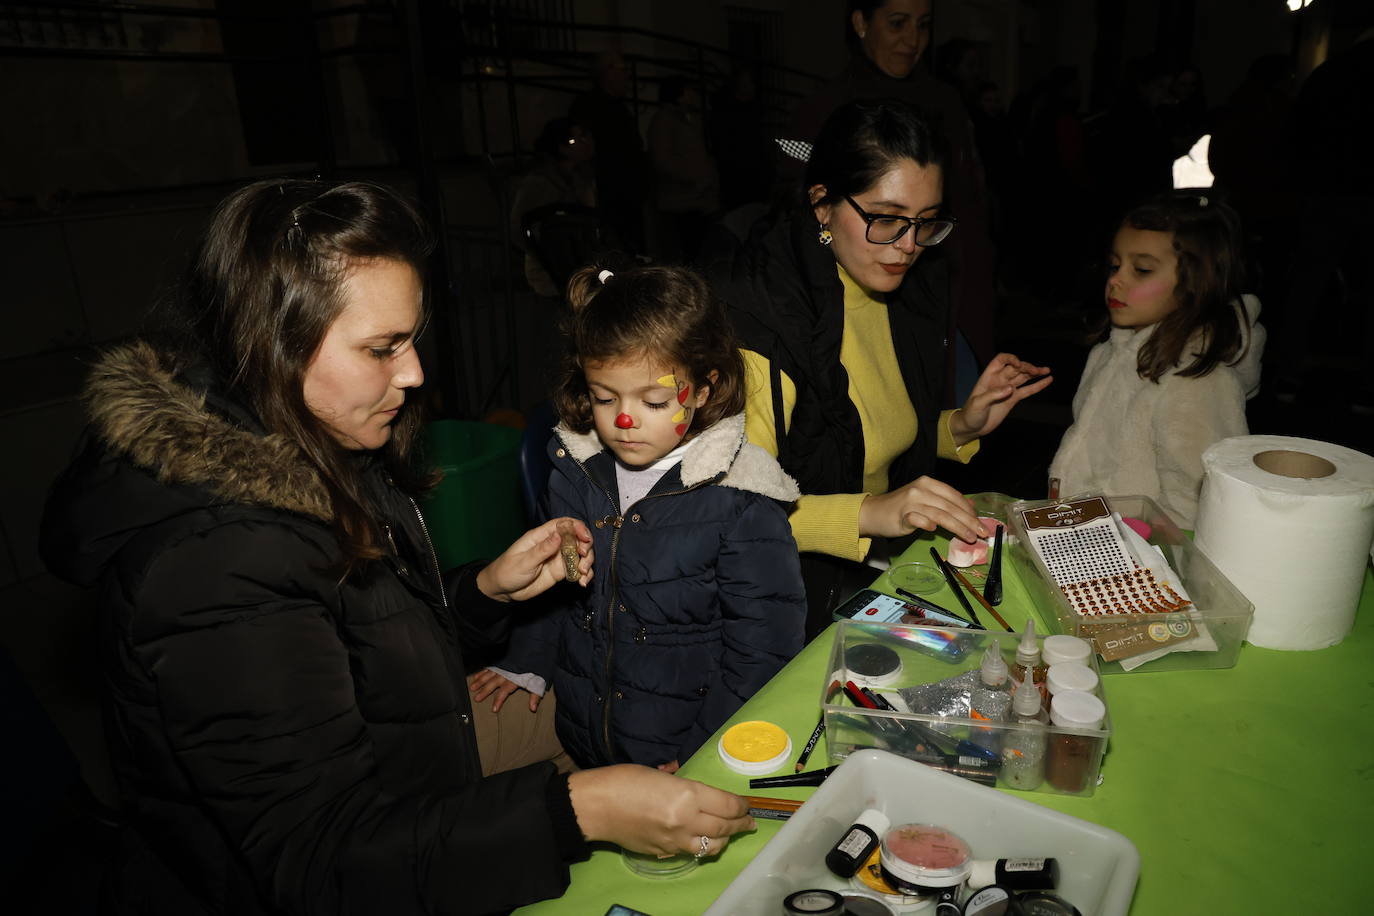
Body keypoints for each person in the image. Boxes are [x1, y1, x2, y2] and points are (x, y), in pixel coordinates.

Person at [38, 179, 755, 915]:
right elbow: (323, 864)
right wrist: (580, 810)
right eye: (382, 349)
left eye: (411, 340)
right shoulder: (214, 566)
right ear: (273, 346)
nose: (413, 374)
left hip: (413, 769)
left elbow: (356, 641)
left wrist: (479, 596)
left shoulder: (320, 436)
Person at [708, 99, 1051, 635]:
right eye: (886, 219)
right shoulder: (764, 324)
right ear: (821, 204)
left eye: (926, 223)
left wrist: (960, 426)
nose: (909, 246)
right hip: (775, 595)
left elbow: (857, 441)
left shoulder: (902, 292)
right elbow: (729, 513)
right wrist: (871, 513)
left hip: (864, 569)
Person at [474, 264, 806, 772]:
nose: (624, 421)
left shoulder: (741, 502)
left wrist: (701, 753)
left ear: (704, 389)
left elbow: (762, 654)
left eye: (654, 401)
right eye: (605, 398)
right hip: (583, 728)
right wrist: (526, 662)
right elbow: (556, 587)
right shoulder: (575, 472)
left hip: (675, 750)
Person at [788, 0, 998, 390]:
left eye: (923, 25)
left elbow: (971, 203)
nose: (912, 40)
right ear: (861, 22)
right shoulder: (821, 111)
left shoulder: (946, 104)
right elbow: (795, 206)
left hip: (951, 296)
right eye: (898, 23)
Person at [1049, 192, 1266, 528]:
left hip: (1138, 562)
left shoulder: (1199, 382)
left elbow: (1195, 510)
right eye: (1115, 264)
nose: (1116, 280)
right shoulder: (1108, 353)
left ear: (1196, 284)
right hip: (1087, 539)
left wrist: (1141, 551)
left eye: (1143, 269)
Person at [510, 116, 597, 297]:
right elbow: (518, 226)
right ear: (561, 148)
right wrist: (544, 252)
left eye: (584, 137)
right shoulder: (540, 183)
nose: (584, 144)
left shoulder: (581, 177)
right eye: (575, 140)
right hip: (550, 268)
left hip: (580, 262)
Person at [570, 48, 647, 252]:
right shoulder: (590, 106)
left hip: (626, 189)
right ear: (607, 72)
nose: (626, 75)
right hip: (609, 190)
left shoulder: (618, 106)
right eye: (622, 69)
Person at [647, 77, 719, 262]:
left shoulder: (689, 119)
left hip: (698, 200)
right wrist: (695, 179)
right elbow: (663, 160)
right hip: (680, 202)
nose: (694, 95)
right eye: (690, 90)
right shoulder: (664, 120)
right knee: (685, 254)